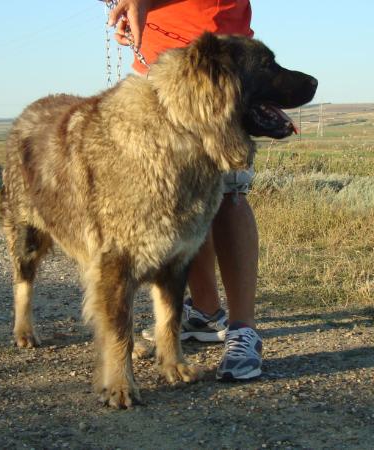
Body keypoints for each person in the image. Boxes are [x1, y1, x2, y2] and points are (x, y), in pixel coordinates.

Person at [106, 0, 262, 380]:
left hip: (214, 63)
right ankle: (205, 313)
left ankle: (243, 329)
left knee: (228, 192)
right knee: (177, 200)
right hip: (157, 67)